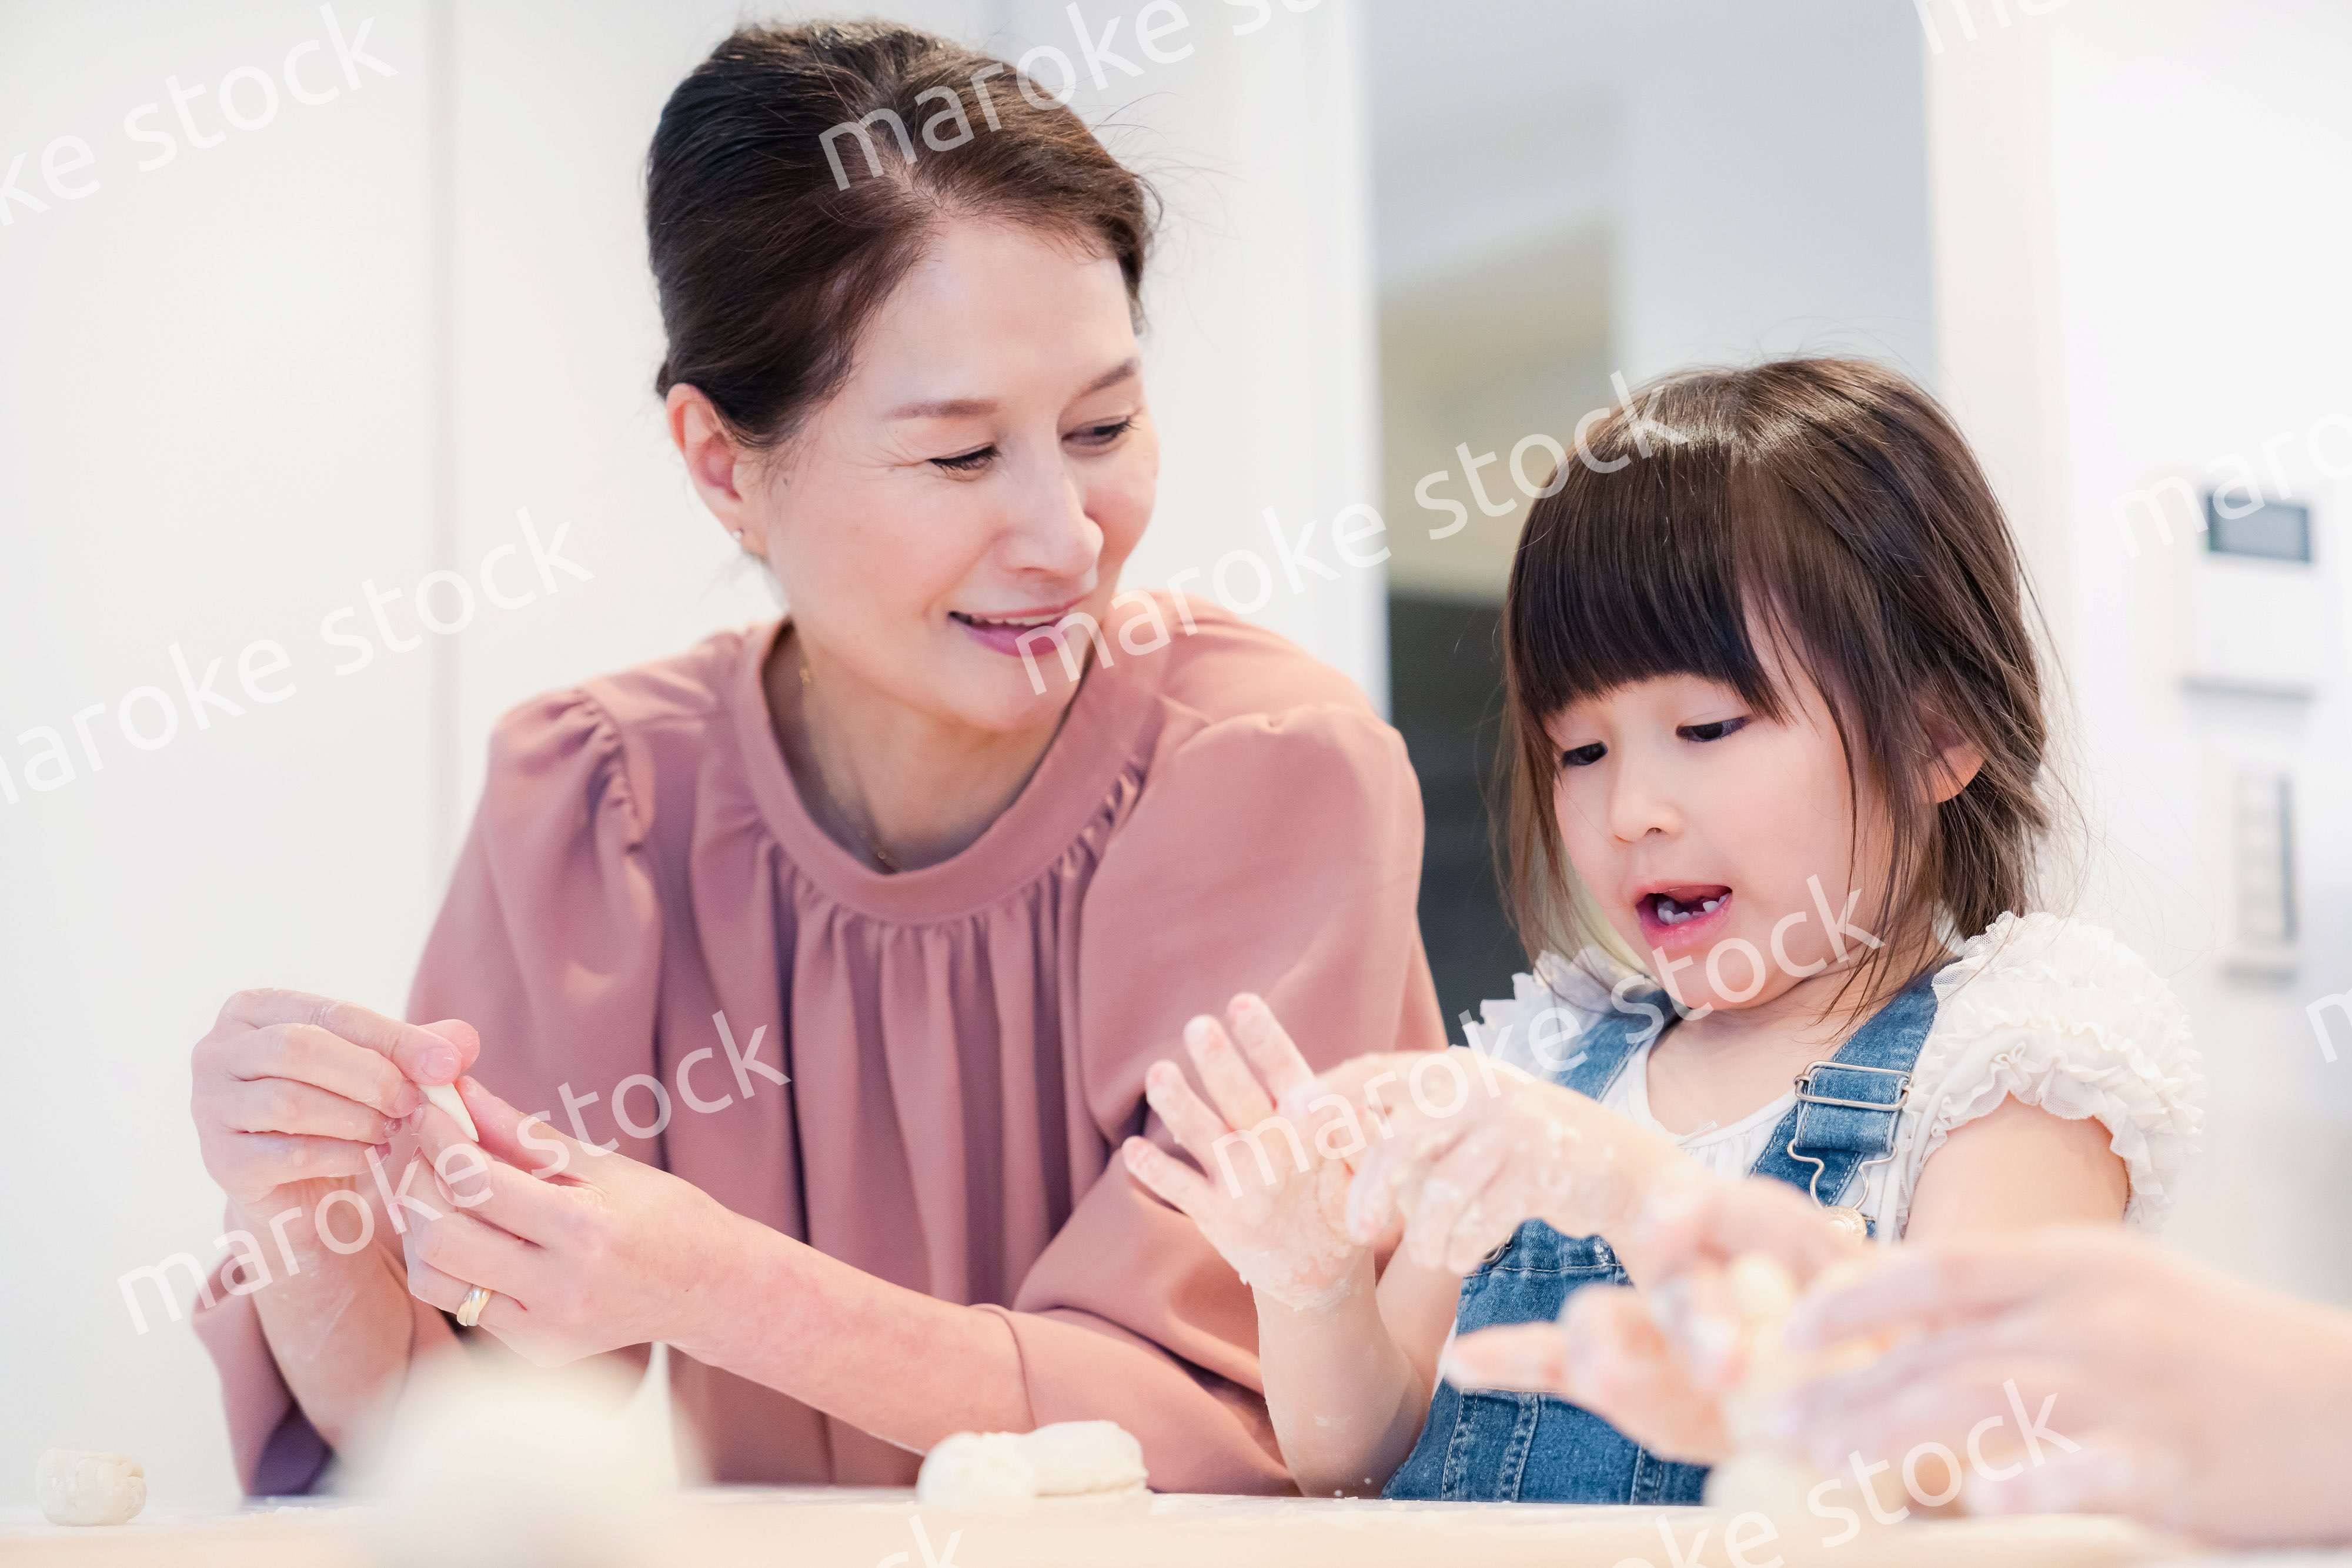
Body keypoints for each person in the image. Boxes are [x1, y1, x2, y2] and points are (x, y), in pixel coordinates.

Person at [184, 19, 1444, 1496]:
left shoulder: (1264, 774)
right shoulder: (597, 806)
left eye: (1103, 423)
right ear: (724, 462)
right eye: (962, 456)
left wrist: (724, 1287)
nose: (1065, 535)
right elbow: (460, 1442)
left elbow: (1240, 1440)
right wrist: (299, 1202)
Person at [1121, 357, 2204, 1500]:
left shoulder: (2006, 1059)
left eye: (1704, 724)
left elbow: (1958, 1449)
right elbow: (1371, 1452)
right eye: (1578, 751)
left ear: (1936, 735)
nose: (1628, 808)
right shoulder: (1556, 1058)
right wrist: (1312, 1285)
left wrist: (1647, 1198)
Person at [1468, 1179, 2352, 1550]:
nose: (1636, 816)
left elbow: (1984, 1468)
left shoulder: (2020, 1038)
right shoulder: (1553, 1028)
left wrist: (2302, 1407)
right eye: (1578, 769)